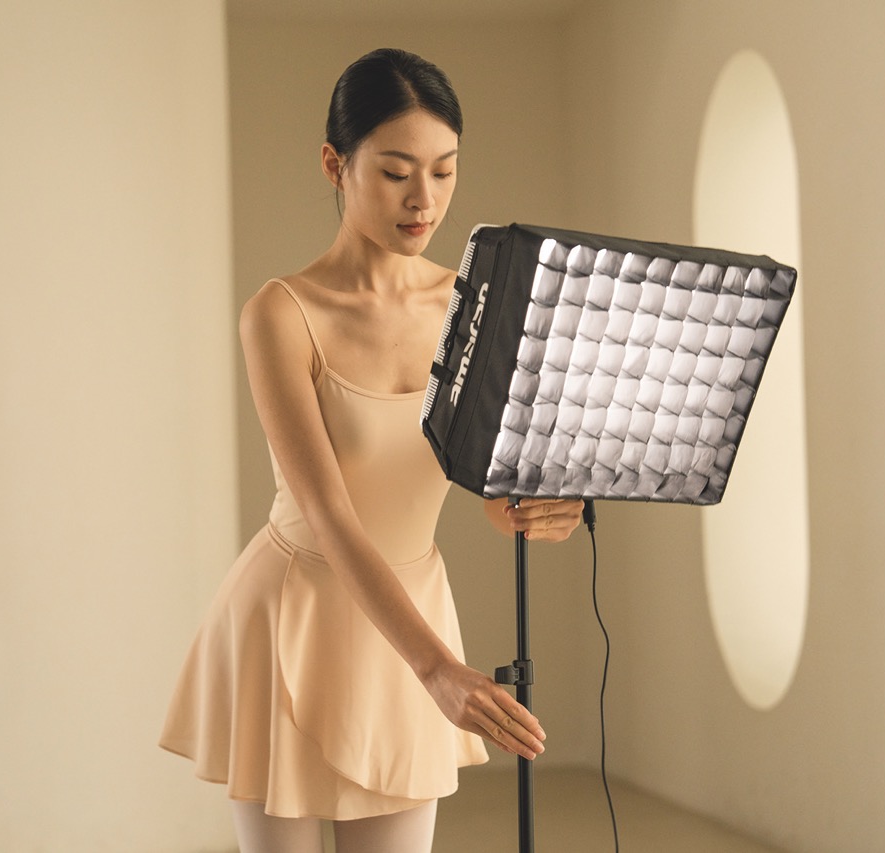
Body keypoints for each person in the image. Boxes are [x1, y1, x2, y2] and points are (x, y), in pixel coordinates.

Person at [160, 48, 584, 853]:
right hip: (298, 610)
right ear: (336, 163)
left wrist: (525, 509)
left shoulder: (471, 300)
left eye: (444, 171)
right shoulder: (281, 314)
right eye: (395, 172)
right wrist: (437, 669)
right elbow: (328, 512)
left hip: (412, 605)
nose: (424, 199)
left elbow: (482, 476)